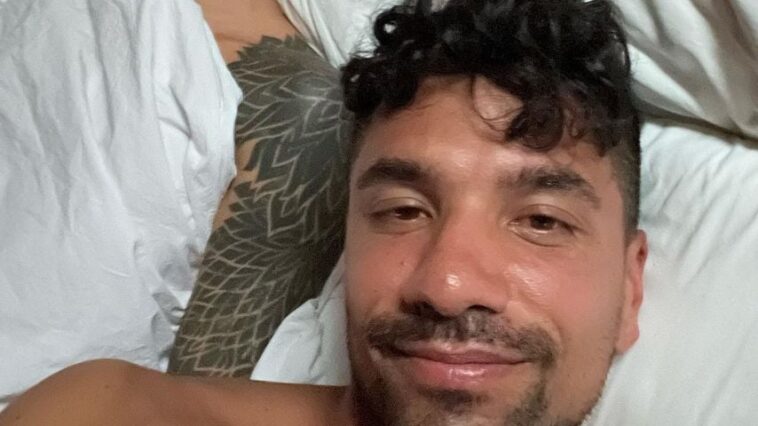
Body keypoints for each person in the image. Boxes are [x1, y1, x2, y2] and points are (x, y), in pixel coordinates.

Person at [0, 0, 647, 424]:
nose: (447, 285)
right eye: (403, 211)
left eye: (541, 221)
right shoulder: (109, 411)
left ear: (630, 288)